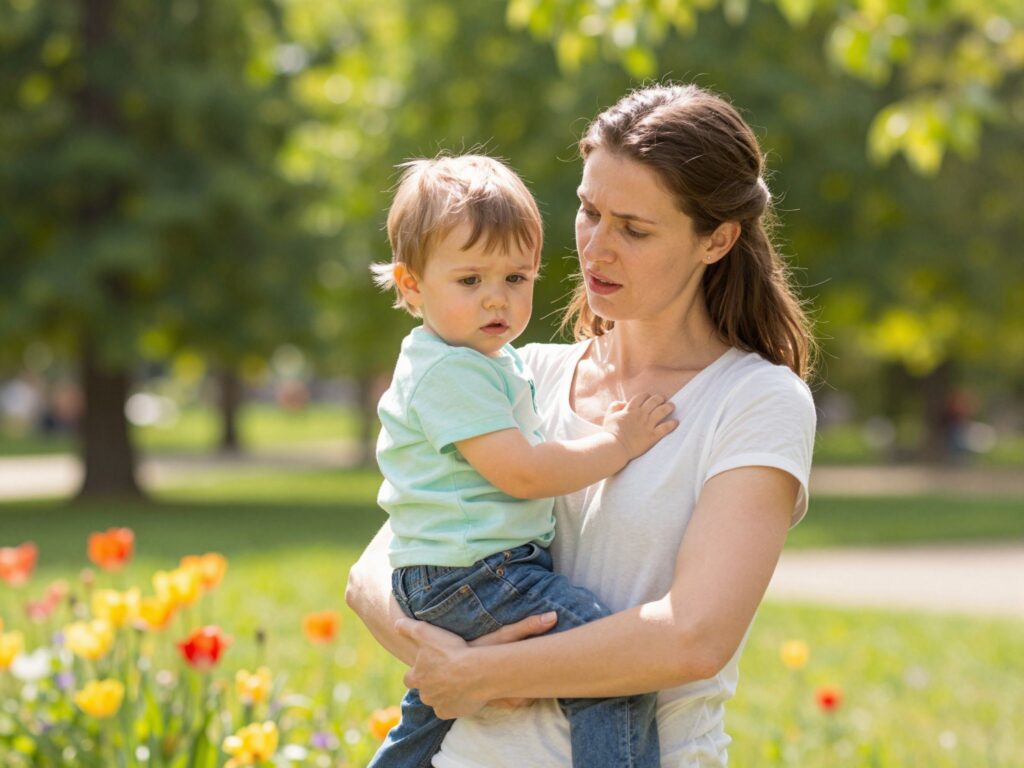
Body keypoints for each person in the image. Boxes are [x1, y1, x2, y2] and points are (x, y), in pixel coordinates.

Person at [347, 83, 817, 767]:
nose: (596, 248)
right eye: (588, 211)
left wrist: (481, 674)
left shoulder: (754, 401)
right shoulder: (513, 370)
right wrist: (436, 656)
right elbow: (377, 566)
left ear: (716, 240)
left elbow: (693, 636)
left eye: (634, 228)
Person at [366, 154, 677, 768]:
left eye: (516, 279)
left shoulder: (483, 359)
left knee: (428, 717)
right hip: (474, 573)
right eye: (470, 280)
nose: (496, 301)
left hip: (455, 571)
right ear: (411, 285)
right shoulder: (451, 370)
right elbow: (524, 472)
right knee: (602, 659)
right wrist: (618, 444)